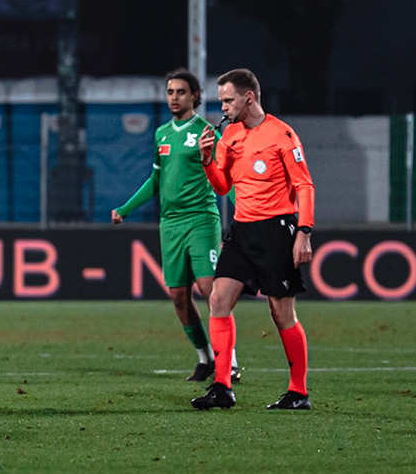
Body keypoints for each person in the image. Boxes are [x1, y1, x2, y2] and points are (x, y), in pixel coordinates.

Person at [191, 69, 316, 411]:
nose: (223, 107)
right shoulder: (229, 135)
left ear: (249, 98)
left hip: (277, 230)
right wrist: (206, 161)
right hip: (242, 230)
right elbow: (222, 186)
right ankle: (221, 386)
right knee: (218, 300)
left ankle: (298, 392)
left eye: (228, 100)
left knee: (280, 312)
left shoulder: (282, 134)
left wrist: (303, 232)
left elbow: (304, 186)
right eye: (221, 101)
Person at [111, 68, 240, 384]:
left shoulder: (208, 132)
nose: (174, 98)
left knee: (211, 291)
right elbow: (156, 179)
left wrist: (245, 213)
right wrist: (126, 208)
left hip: (201, 219)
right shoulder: (161, 134)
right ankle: (205, 358)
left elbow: (227, 179)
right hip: (170, 224)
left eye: (180, 92)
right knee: (179, 296)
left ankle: (231, 362)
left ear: (194, 96)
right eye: (170, 92)